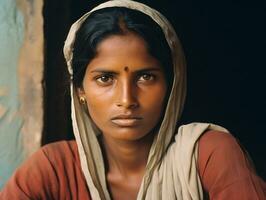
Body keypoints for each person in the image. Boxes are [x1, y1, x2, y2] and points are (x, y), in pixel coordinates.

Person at [1, 0, 265, 199]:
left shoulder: (208, 155)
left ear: (171, 83)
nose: (127, 100)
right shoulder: (53, 169)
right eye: (105, 78)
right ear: (79, 89)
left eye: (146, 77)